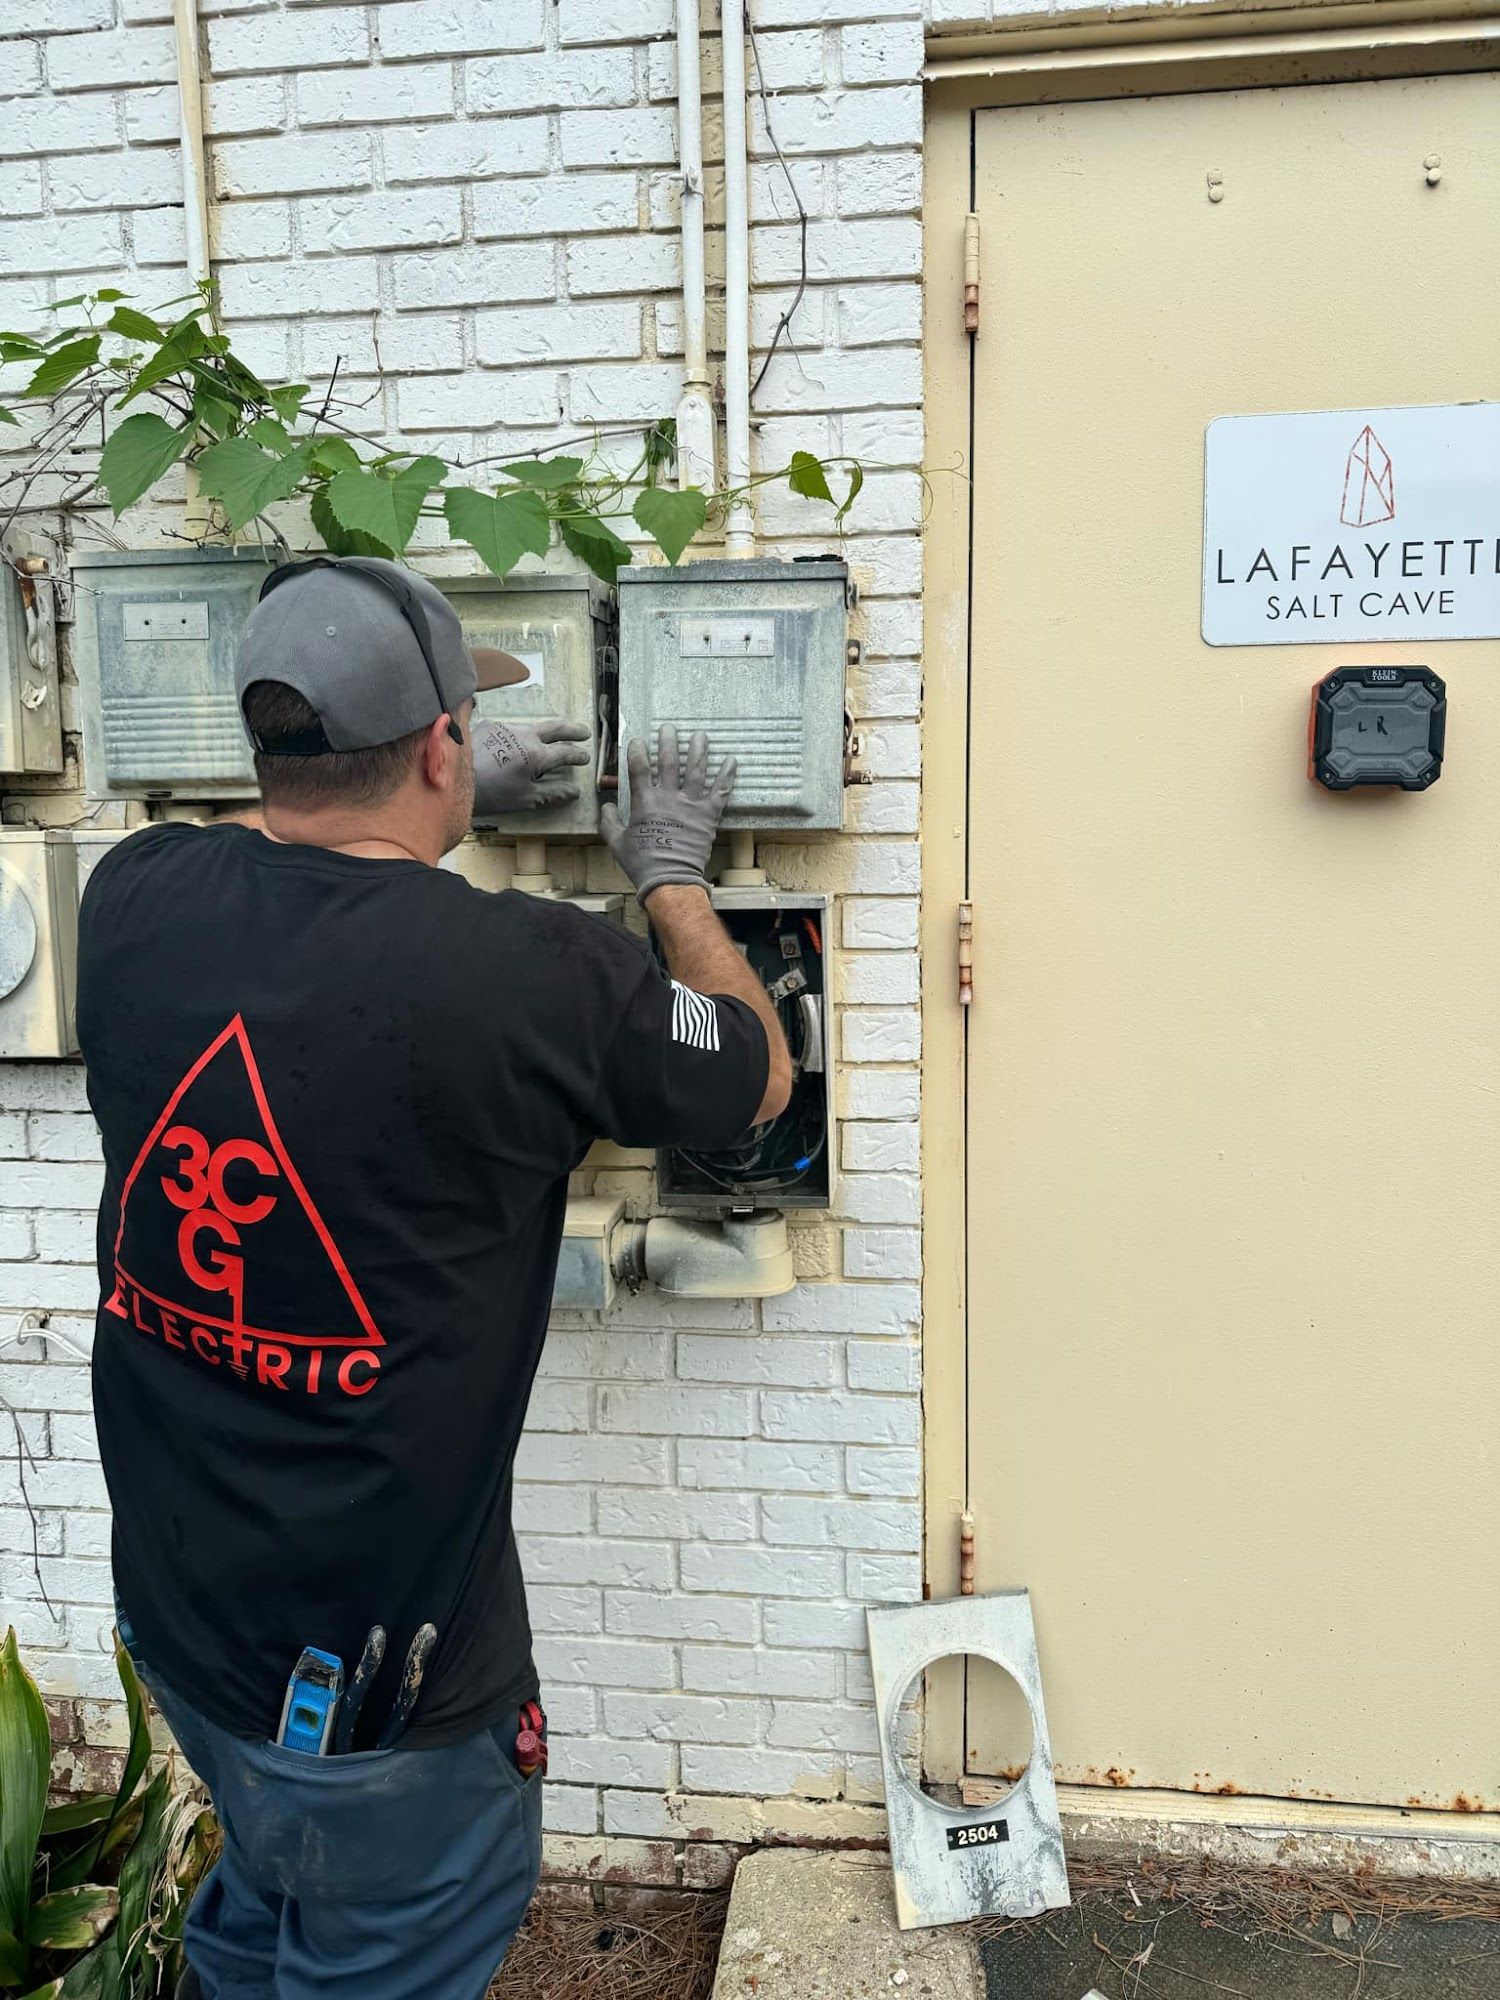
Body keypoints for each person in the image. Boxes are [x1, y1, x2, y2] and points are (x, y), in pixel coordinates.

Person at [77, 556, 792, 2000]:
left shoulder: (131, 898)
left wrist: (424, 801)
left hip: (183, 1619)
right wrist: (670, 880)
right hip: (378, 1701)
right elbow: (755, 1078)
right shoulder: (531, 973)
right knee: (380, 1942)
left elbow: (291, 875)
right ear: (443, 743)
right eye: (464, 721)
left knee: (271, 1895)